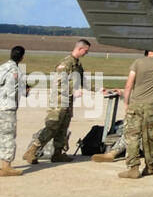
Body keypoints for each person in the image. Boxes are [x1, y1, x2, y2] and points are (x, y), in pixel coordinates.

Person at [24, 38, 90, 164]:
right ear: (80, 49)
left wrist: (100, 89)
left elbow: (83, 81)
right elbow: (60, 82)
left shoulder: (77, 65)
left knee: (63, 127)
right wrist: (73, 91)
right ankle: (32, 151)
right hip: (59, 100)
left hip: (68, 101)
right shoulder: (66, 63)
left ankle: (57, 153)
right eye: (85, 51)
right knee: (52, 127)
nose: (86, 54)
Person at [118, 50, 153, 179]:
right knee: (150, 137)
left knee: (132, 137)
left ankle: (133, 168)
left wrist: (126, 104)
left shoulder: (138, 62)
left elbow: (129, 85)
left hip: (136, 105)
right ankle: (150, 167)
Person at [1, 45, 27, 176]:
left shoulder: (3, 67)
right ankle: (6, 166)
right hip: (8, 108)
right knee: (9, 136)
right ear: (22, 57)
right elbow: (22, 90)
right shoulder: (16, 70)